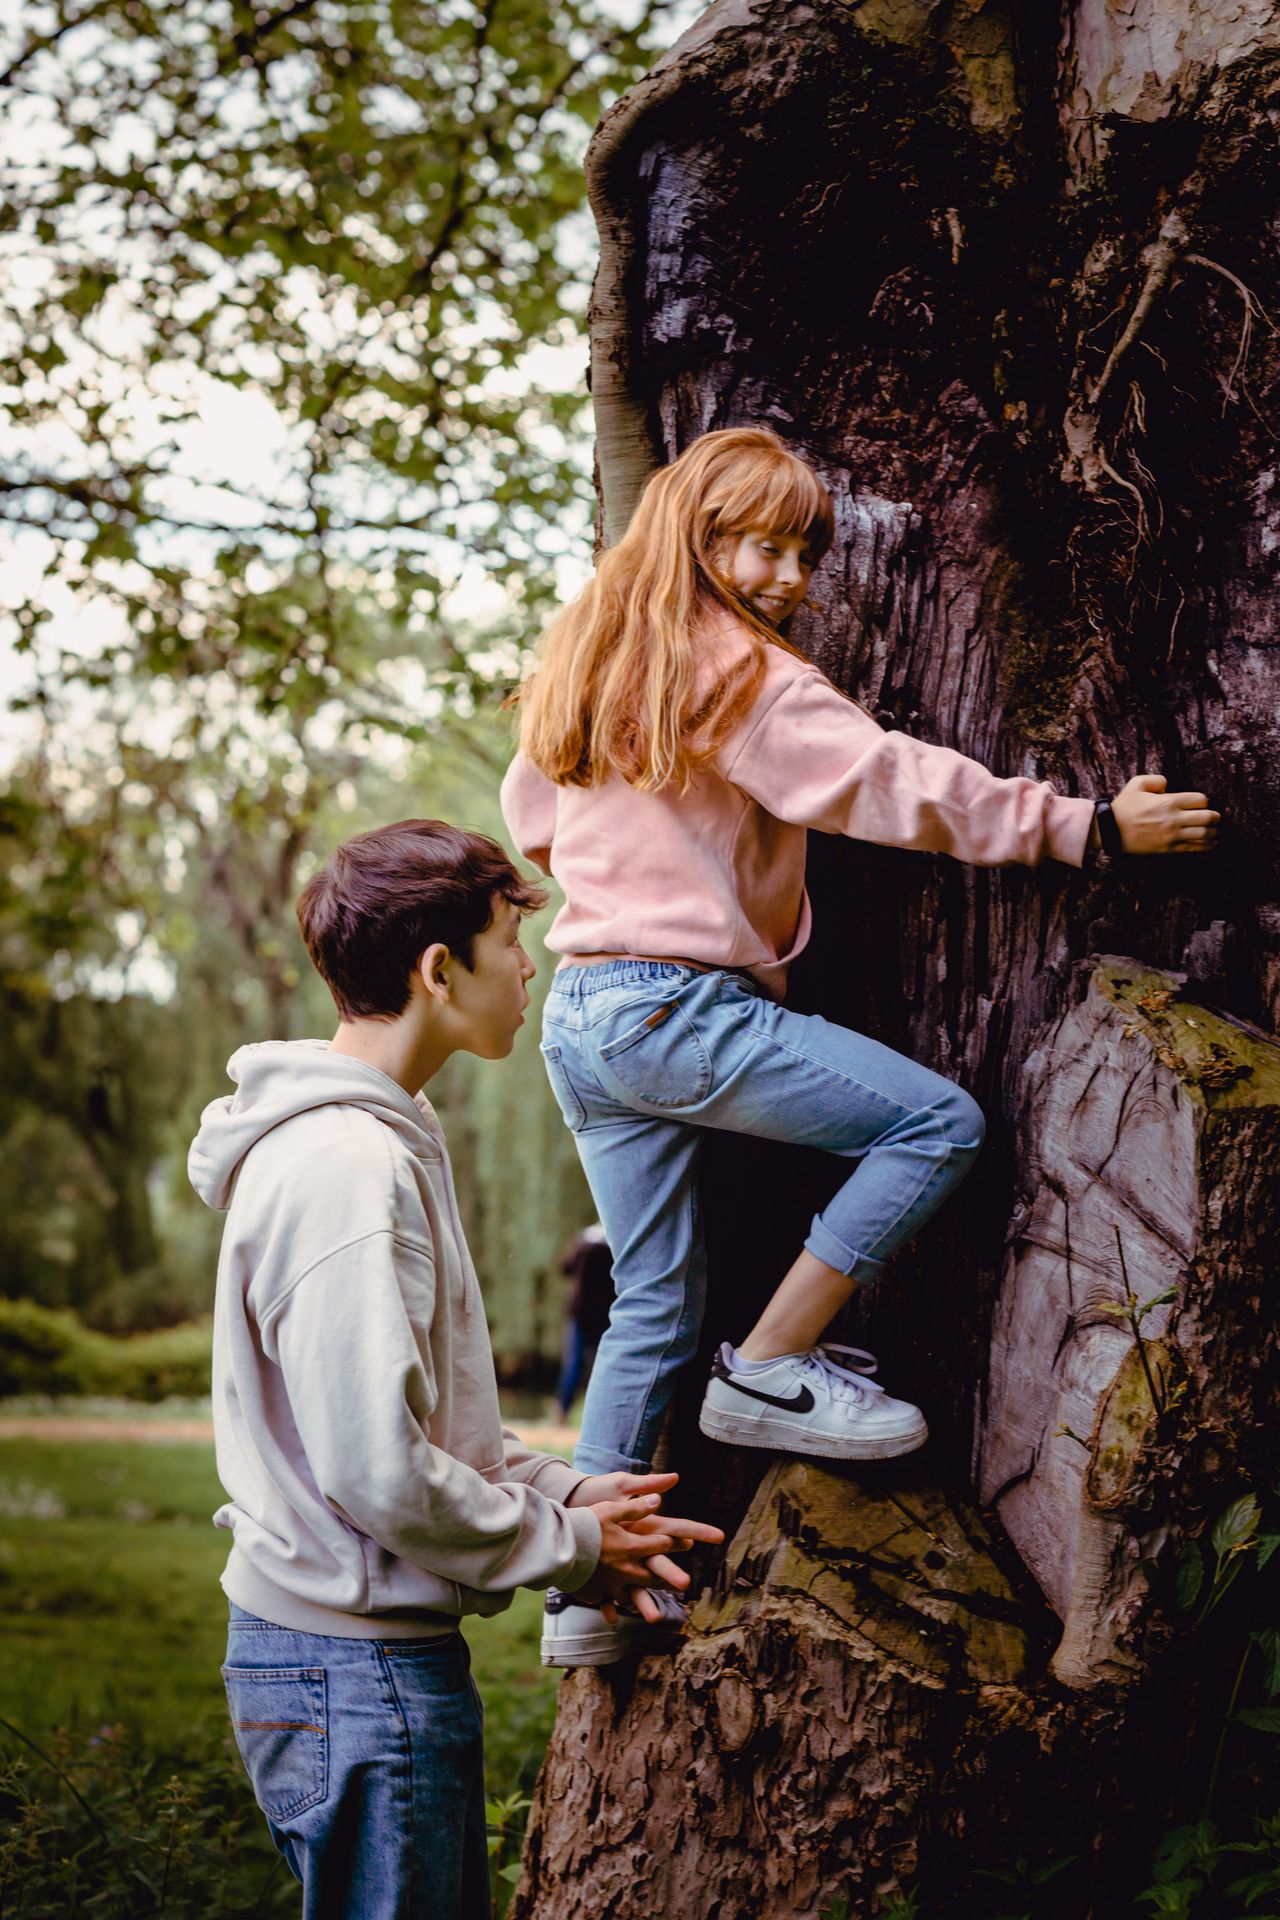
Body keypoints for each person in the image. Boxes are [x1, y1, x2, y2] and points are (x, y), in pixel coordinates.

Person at [500, 424, 1220, 1669]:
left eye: (802, 554)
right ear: (693, 538)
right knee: (933, 1123)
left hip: (585, 1013)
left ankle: (586, 1591)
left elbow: (533, 821)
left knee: (653, 1299)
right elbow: (888, 781)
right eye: (759, 546)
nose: (787, 578)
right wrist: (1086, 826)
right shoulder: (738, 672)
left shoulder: (592, 659)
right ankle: (770, 1364)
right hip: (675, 1006)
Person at [188, 819, 723, 1920]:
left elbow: (416, 1436)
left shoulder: (380, 1136)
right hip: (356, 1671)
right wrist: (572, 1549)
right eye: (507, 943)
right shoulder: (349, 1166)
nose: (532, 968)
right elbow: (377, 1473)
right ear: (439, 971)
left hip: (350, 1665)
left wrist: (567, 1491)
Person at [554, 1222, 614, 1421]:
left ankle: (563, 1412)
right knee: (602, 1363)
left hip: (579, 1311)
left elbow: (565, 1268)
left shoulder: (583, 1242)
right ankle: (599, 1414)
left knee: (573, 1363)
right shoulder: (613, 1244)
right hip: (604, 1313)